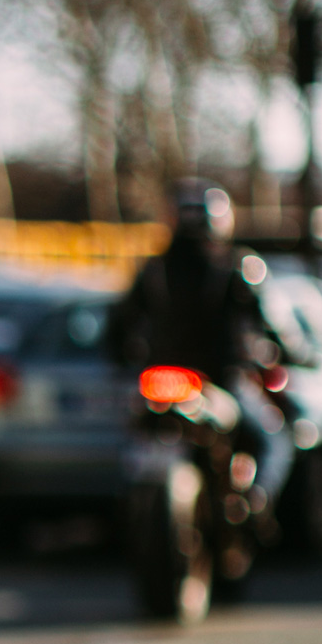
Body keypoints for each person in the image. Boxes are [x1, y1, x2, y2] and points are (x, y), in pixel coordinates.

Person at [109, 181, 293, 507]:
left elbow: (119, 323)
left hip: (163, 377)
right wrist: (287, 352)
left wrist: (122, 357)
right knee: (275, 440)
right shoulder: (238, 266)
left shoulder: (154, 268)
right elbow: (270, 320)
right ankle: (252, 502)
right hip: (222, 377)